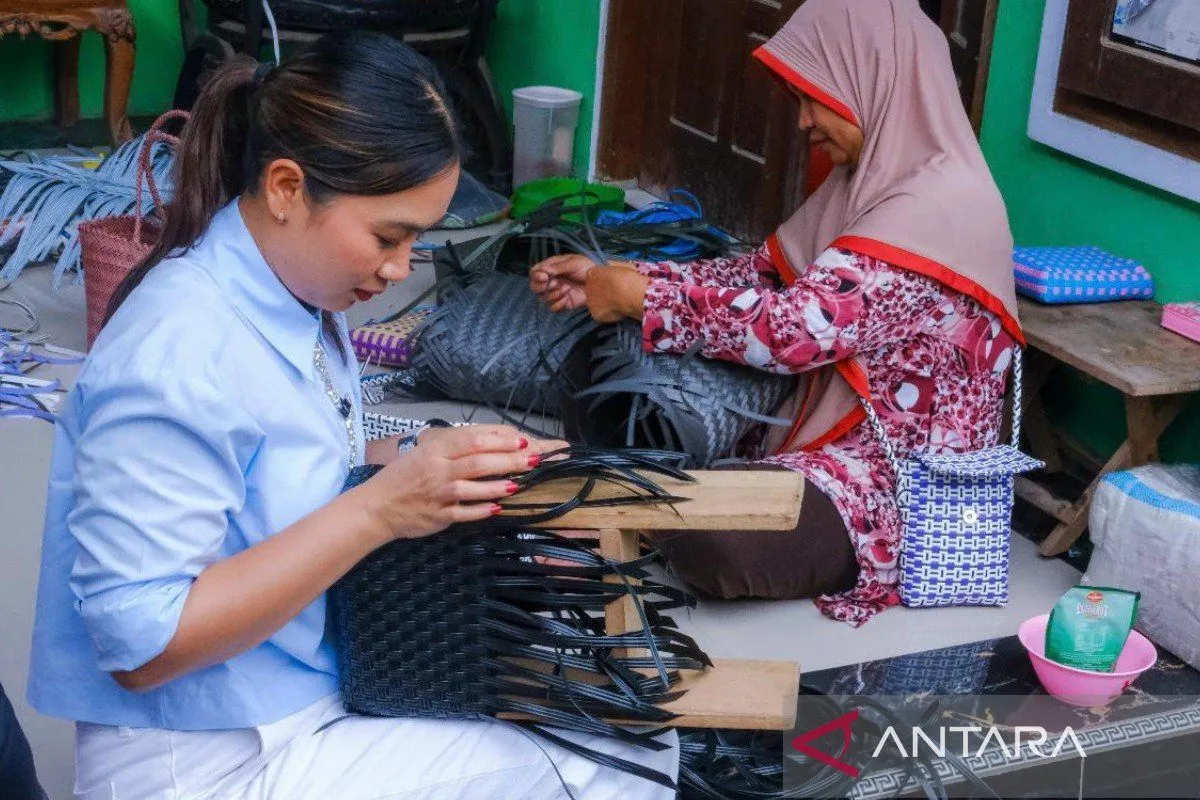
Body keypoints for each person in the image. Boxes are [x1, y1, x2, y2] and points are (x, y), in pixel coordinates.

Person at [28, 33, 677, 799]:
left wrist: (461, 462)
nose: (401, 269)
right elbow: (143, 645)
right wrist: (381, 509)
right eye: (388, 237)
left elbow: (295, 457)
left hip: (289, 700)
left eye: (417, 239)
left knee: (606, 697)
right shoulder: (173, 353)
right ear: (285, 188)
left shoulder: (292, 293)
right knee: (625, 754)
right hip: (207, 761)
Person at [530, 0, 1022, 628]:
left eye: (815, 97)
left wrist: (641, 299)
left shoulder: (941, 206)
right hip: (810, 433)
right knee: (604, 374)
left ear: (873, 79)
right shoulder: (871, 181)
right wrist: (626, 278)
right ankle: (633, 505)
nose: (804, 121)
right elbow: (760, 275)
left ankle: (622, 511)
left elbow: (795, 332)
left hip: (895, 484)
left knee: (721, 543)